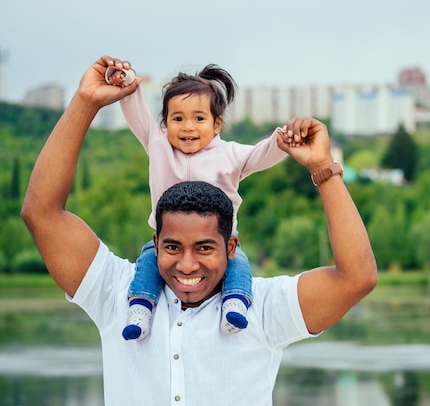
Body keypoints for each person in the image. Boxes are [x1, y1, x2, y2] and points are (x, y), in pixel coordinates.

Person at [21, 55, 377, 406]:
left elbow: (356, 278)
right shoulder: (117, 295)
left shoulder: (264, 309)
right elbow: (42, 214)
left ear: (231, 247)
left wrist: (322, 167)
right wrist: (86, 102)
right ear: (156, 242)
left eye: (205, 248)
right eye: (173, 247)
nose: (187, 265)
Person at [105, 60, 290, 340]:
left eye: (199, 119)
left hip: (220, 238)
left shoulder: (230, 154)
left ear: (217, 124)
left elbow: (262, 154)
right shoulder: (159, 146)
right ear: (165, 123)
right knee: (147, 262)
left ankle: (235, 302)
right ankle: (141, 307)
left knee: (238, 262)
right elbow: (137, 113)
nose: (188, 127)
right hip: (167, 236)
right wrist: (125, 79)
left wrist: (282, 139)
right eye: (177, 119)